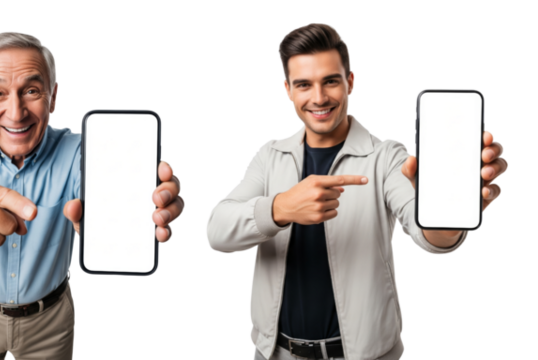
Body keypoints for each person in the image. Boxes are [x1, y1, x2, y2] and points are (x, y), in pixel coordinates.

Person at [204, 21, 508, 360]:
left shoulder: (387, 156)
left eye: (330, 81)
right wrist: (281, 208)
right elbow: (217, 233)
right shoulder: (269, 154)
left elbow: (429, 238)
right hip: (274, 354)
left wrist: (447, 213)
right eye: (304, 85)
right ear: (288, 90)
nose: (318, 98)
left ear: (350, 82)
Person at [0, 29, 185, 359]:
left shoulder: (81, 151)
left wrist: (142, 204)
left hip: (51, 321)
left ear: (53, 97)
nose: (16, 113)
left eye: (31, 90)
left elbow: (99, 196)